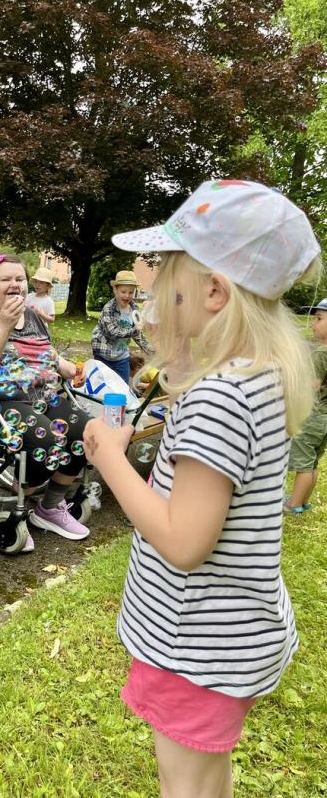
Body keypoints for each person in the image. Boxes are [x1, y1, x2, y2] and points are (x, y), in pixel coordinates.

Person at [82, 180, 321, 797]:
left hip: (197, 647)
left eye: (166, 272)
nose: (156, 288)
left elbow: (184, 541)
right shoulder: (257, 376)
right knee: (207, 773)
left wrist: (111, 459)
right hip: (233, 636)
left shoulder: (220, 396)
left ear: (214, 291)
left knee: (183, 784)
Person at [0, 253, 91, 553]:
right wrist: (3, 325)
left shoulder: (35, 317)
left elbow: (46, 354)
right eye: (5, 279)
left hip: (44, 396)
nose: (14, 284)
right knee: (46, 441)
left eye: (19, 279)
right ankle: (24, 492)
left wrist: (66, 366)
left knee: (87, 432)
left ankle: (50, 507)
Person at [285, 297, 327, 514]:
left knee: (303, 463)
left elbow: (313, 385)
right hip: (324, 419)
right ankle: (303, 500)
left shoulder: (321, 354)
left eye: (319, 318)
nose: (312, 323)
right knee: (313, 462)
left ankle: (293, 505)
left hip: (313, 416)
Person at [91, 270, 152, 385]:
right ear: (115, 290)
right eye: (123, 291)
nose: (127, 296)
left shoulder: (134, 309)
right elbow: (111, 332)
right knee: (102, 387)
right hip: (104, 356)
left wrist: (151, 350)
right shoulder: (109, 308)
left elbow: (138, 335)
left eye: (131, 292)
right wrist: (134, 330)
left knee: (123, 388)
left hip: (121, 357)